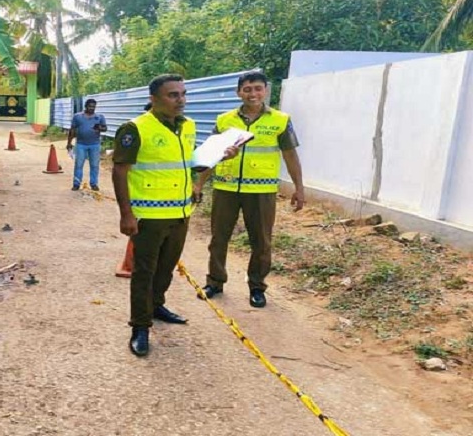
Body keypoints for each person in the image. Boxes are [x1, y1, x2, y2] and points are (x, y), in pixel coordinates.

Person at [112, 74, 238, 357]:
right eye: (172, 95)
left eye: (183, 94)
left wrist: (220, 156)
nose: (180, 100)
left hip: (181, 213)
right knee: (144, 271)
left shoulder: (188, 126)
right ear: (153, 99)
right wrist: (126, 215)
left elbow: (188, 163)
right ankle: (140, 327)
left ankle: (156, 306)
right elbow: (120, 171)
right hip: (148, 216)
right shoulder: (135, 128)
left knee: (166, 268)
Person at [196, 71, 305, 309]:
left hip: (261, 192)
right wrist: (198, 183)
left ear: (265, 90)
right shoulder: (224, 120)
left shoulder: (280, 120)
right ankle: (215, 281)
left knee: (261, 241)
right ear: (239, 93)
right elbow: (212, 153)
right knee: (218, 239)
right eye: (247, 89)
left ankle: (257, 287)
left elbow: (290, 155)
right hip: (226, 188)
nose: (252, 93)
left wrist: (299, 188)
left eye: (257, 88)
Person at [67, 99, 107, 191]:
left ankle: (94, 184)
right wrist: (69, 143)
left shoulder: (99, 117)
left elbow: (105, 128)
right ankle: (76, 184)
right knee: (79, 165)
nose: (92, 108)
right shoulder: (77, 117)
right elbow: (72, 130)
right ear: (85, 106)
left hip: (95, 145)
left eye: (93, 107)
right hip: (81, 144)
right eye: (90, 106)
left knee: (94, 165)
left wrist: (99, 127)